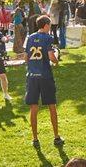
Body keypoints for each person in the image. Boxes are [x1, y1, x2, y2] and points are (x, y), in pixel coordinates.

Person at [23, 15, 63, 147]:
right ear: (45, 25)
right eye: (49, 25)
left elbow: (26, 57)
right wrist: (57, 61)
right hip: (45, 76)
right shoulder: (48, 37)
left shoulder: (29, 37)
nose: (50, 28)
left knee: (33, 107)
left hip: (32, 76)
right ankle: (56, 137)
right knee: (52, 106)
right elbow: (51, 56)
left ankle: (35, 139)